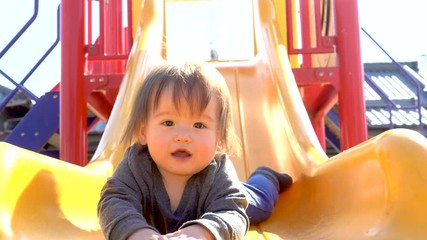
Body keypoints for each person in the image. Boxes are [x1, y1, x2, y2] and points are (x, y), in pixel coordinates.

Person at [97, 62, 293, 240]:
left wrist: (201, 233)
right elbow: (114, 202)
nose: (183, 136)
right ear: (143, 132)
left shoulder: (217, 172)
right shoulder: (136, 166)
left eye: (199, 125)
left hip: (230, 196)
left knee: (262, 204)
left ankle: (265, 178)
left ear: (220, 139)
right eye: (168, 123)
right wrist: (137, 234)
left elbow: (231, 212)